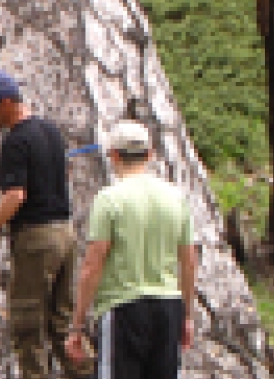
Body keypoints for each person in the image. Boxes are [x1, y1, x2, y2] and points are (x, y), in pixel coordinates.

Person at [0, 70, 85, 379]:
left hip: (37, 238)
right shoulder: (51, 132)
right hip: (66, 233)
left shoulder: (16, 141)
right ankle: (84, 372)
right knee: (62, 321)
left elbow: (15, 196)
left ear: (5, 102)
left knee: (28, 324)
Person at [64, 121, 199, 379]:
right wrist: (188, 315)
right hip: (168, 307)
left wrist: (77, 326)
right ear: (150, 154)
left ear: (113, 155)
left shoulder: (109, 199)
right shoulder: (176, 197)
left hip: (123, 307)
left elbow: (92, 265)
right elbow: (189, 260)